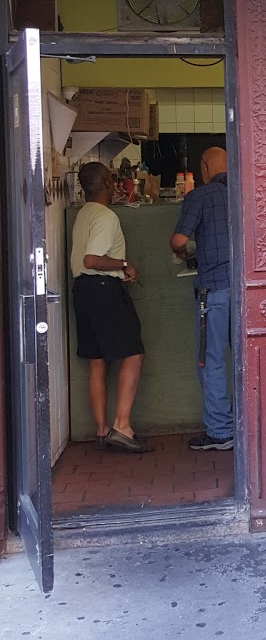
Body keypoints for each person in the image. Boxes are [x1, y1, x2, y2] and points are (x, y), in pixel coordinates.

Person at [70, 160, 150, 454]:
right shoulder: (105, 215)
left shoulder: (84, 214)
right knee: (133, 354)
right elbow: (93, 260)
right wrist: (125, 264)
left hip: (83, 291)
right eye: (112, 180)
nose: (116, 184)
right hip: (104, 289)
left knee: (96, 360)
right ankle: (122, 426)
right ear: (106, 183)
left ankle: (102, 429)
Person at [170, 147, 233, 452]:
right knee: (248, 361)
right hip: (250, 293)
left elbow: (178, 241)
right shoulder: (244, 193)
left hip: (215, 291)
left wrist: (185, 253)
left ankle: (221, 431)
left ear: (205, 167)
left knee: (212, 363)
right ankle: (253, 426)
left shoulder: (200, 196)